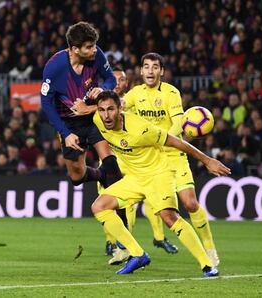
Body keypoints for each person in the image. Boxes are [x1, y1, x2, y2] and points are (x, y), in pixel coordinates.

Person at [91, 90, 231, 276]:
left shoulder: (141, 129)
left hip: (158, 175)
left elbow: (176, 142)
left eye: (110, 109)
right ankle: (137, 254)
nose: (106, 115)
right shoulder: (98, 120)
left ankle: (207, 265)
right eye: (102, 110)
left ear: (120, 109)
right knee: (99, 206)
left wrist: (207, 161)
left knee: (169, 217)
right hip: (134, 178)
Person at [123, 53, 221, 266]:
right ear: (141, 71)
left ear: (161, 71)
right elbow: (120, 105)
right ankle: (123, 247)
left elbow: (178, 124)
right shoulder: (135, 93)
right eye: (146, 67)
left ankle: (210, 247)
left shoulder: (171, 93)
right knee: (134, 203)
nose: (150, 71)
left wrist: (157, 138)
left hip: (173, 154)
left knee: (190, 203)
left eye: (155, 67)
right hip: (150, 160)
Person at [103, 68, 178, 265]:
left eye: (122, 80)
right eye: (115, 79)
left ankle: (156, 238)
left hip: (138, 159)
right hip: (115, 159)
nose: (119, 82)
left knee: (150, 203)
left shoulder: (131, 101)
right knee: (114, 203)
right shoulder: (102, 105)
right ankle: (115, 244)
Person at [40, 22, 122, 192]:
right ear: (75, 49)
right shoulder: (54, 68)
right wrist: (66, 134)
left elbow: (111, 79)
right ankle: (101, 176)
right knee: (76, 176)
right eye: (89, 47)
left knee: (111, 163)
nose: (94, 49)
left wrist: (103, 88)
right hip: (69, 124)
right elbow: (46, 104)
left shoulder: (97, 55)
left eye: (94, 45)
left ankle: (122, 217)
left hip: (94, 116)